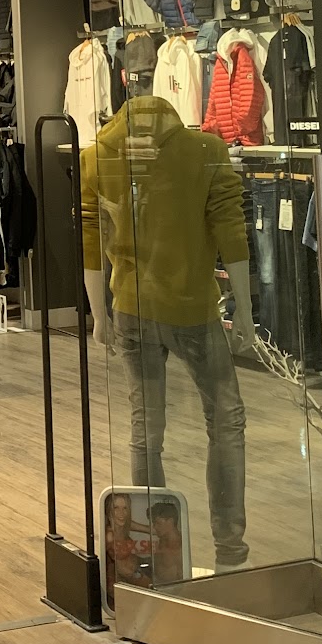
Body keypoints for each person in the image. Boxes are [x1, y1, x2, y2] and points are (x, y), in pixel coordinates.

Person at [82, 95, 251, 568]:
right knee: (226, 419)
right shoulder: (205, 150)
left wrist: (99, 315)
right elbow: (230, 230)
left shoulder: (97, 156)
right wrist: (245, 309)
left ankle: (154, 551)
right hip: (191, 308)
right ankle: (230, 548)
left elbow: (92, 240)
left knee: (146, 428)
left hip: (131, 307)